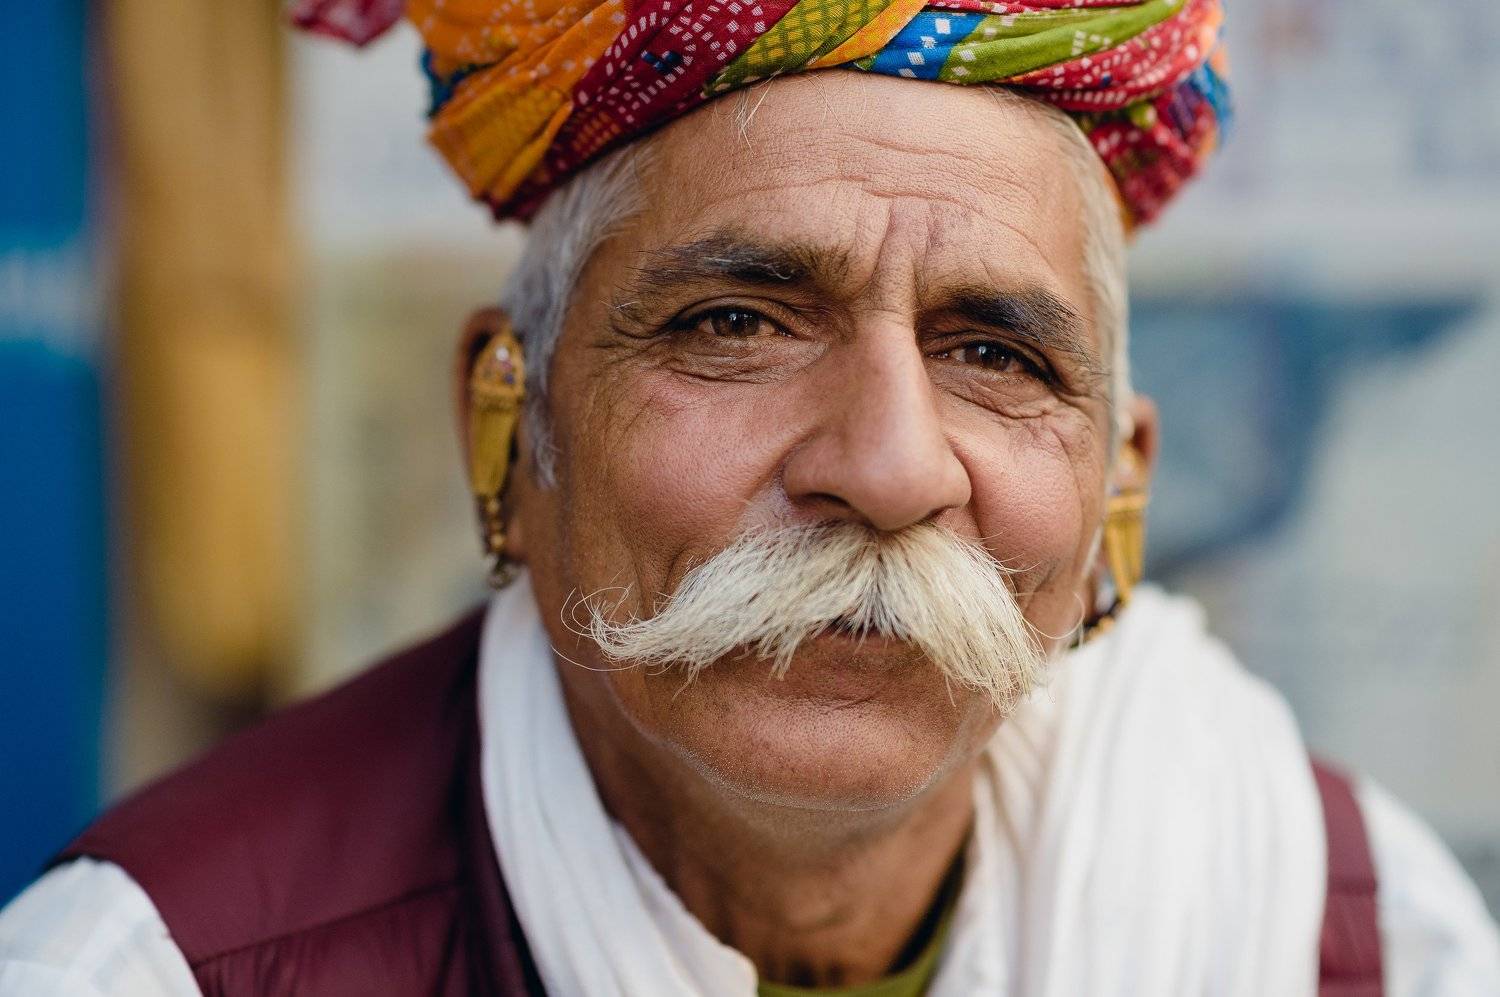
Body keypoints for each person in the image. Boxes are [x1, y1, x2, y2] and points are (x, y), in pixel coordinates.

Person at [3, 0, 1498, 994]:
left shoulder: (1351, 934)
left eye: (996, 352)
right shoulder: (165, 966)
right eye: (736, 323)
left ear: (1121, 494)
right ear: (505, 427)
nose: (891, 465)